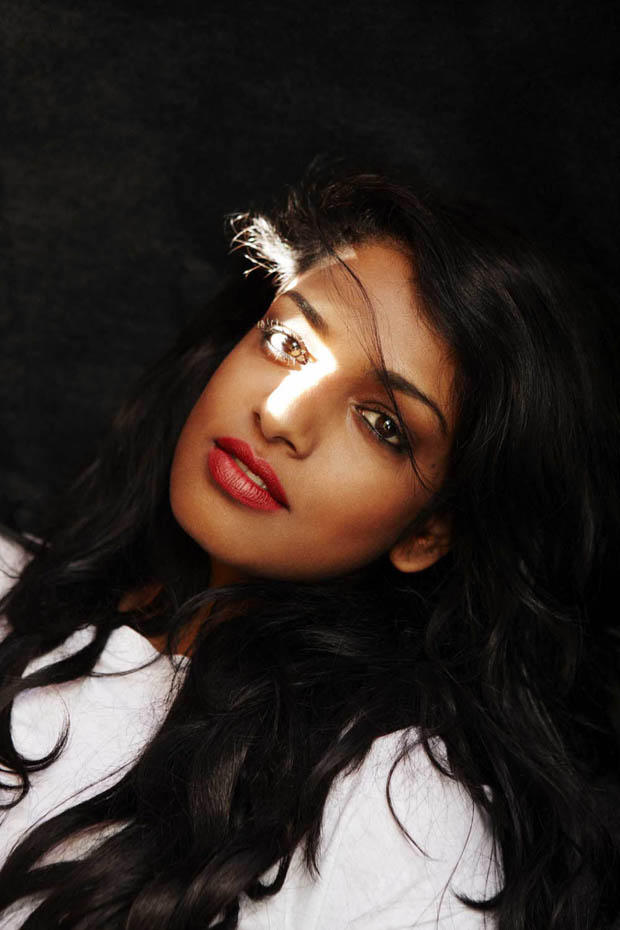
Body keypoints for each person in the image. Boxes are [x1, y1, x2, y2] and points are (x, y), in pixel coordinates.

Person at [0, 167, 618, 929]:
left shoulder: (400, 821)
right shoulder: (16, 582)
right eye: (289, 341)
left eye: (381, 423)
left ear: (428, 532)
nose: (281, 415)